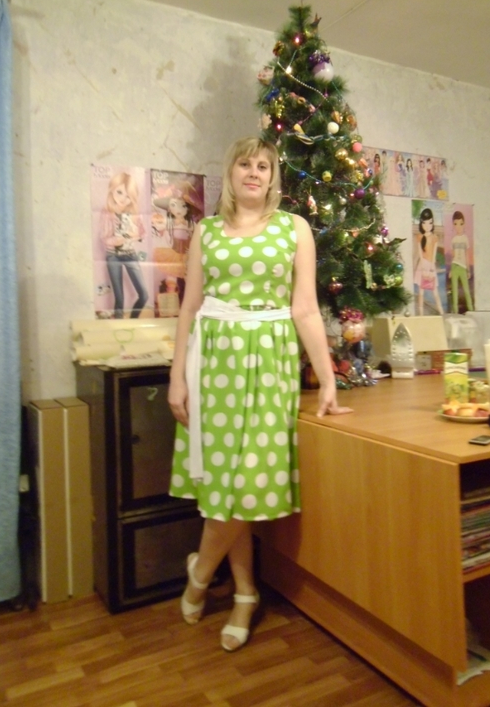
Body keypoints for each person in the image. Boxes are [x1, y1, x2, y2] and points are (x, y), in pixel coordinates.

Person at [168, 136, 352, 653]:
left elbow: (305, 308)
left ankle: (200, 573)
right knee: (225, 481)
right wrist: (177, 376)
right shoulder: (206, 232)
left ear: (273, 177)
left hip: (270, 363)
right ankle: (246, 593)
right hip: (214, 364)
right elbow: (189, 308)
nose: (254, 172)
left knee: (247, 482)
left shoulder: (294, 228)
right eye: (245, 164)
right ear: (231, 173)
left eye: (264, 166)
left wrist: (328, 378)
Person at [100, 171, 148, 319]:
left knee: (144, 295)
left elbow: (143, 233)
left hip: (130, 254)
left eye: (128, 196)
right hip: (113, 255)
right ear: (112, 190)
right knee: (119, 299)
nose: (123, 199)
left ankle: (133, 320)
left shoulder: (134, 213)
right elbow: (105, 239)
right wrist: (120, 238)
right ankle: (119, 326)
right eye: (119, 192)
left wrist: (132, 235)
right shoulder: (107, 212)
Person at [413, 207, 444, 315]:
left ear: (432, 223)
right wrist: (423, 268)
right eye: (424, 223)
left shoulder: (434, 237)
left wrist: (431, 268)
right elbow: (420, 254)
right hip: (422, 265)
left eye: (430, 223)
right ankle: (421, 314)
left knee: (435, 292)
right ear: (421, 223)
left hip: (430, 265)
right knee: (421, 292)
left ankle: (442, 313)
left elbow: (434, 254)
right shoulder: (419, 237)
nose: (427, 225)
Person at [450, 210, 474, 313]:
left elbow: (467, 255)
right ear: (453, 225)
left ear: (464, 224)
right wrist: (451, 270)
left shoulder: (465, 239)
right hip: (454, 266)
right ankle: (455, 313)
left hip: (463, 267)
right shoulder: (453, 240)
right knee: (454, 292)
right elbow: (453, 256)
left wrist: (468, 270)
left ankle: (472, 311)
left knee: (466, 291)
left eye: (461, 223)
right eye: (456, 224)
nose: (458, 227)